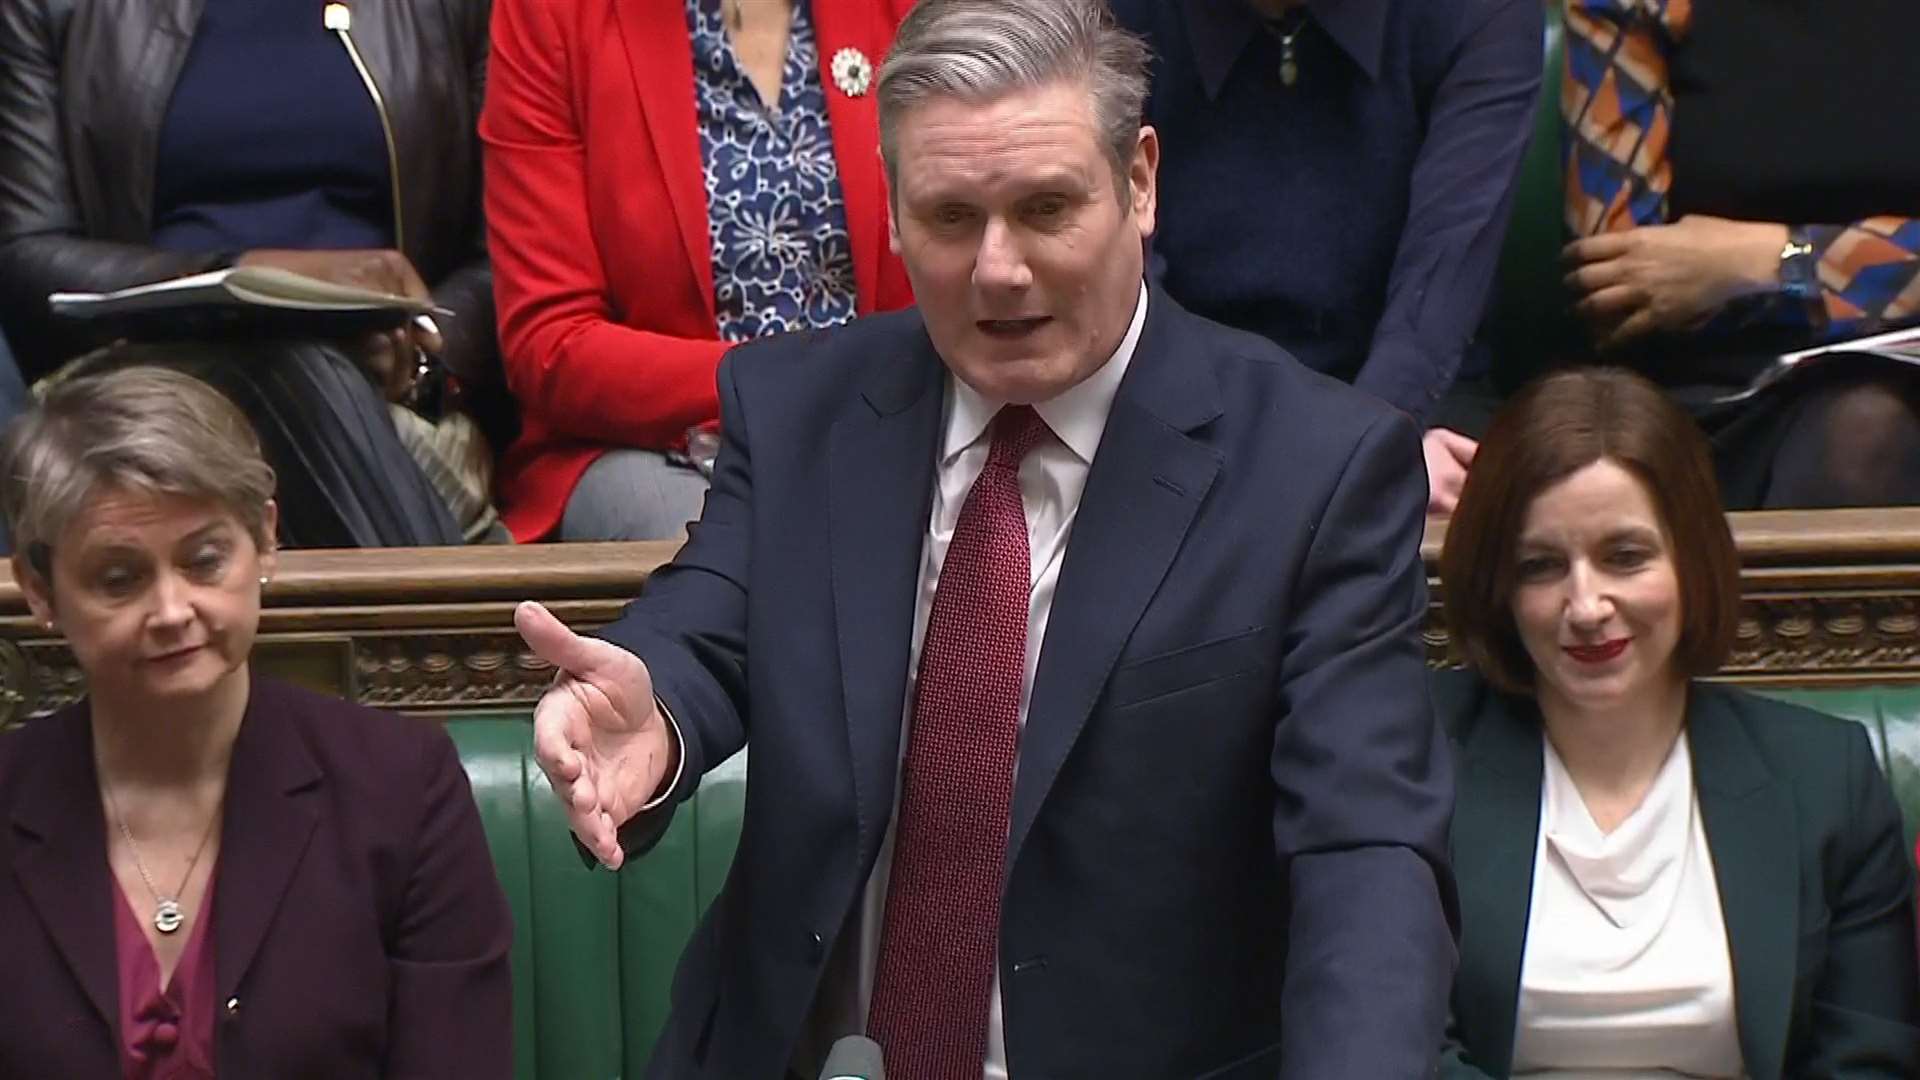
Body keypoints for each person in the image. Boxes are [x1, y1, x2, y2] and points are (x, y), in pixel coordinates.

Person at [513, 0, 1457, 1076]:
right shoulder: (801, 409)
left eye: (1048, 207)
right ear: (894, 215)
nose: (998, 270)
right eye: (952, 218)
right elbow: (712, 619)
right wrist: (659, 710)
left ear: (1140, 182)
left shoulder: (1314, 470)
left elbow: (1366, 853)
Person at [0, 366, 514, 1076]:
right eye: (119, 579)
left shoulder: (402, 788)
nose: (173, 610)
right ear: (39, 590)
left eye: (205, 561)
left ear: (265, 539)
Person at [1434, 368, 1920, 1077]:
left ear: (1691, 558)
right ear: (1500, 586)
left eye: (1624, 557)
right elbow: (1395, 1039)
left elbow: (1868, 1060)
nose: (1587, 604)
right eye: (1541, 565)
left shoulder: (1826, 778)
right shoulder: (1421, 755)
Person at [0, 0, 499, 546]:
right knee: (289, 358)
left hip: (388, 386)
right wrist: (238, 276)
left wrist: (423, 354)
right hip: (140, 372)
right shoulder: (54, 9)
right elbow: (29, 255)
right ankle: (451, 624)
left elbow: (502, 254)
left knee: (312, 372)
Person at [481, 0, 917, 541]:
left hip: (900, 422)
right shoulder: (552, 14)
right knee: (739, 557)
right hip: (655, 450)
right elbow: (549, 343)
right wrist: (790, 385)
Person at [1108, 0, 1543, 513]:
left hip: (1412, 396)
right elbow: (1121, 268)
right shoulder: (1114, 13)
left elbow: (1443, 282)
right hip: (1172, 391)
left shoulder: (1479, 12)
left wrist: (1370, 452)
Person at [1561, 0, 1920, 508]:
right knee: (1865, 430)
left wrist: (1775, 263)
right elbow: (1618, 285)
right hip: (1725, 392)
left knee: (1871, 426)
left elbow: (1697, 273)